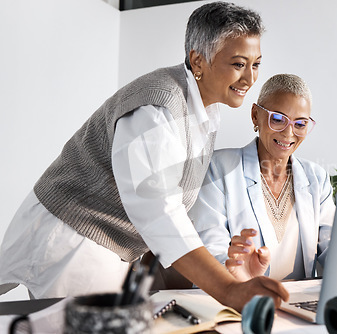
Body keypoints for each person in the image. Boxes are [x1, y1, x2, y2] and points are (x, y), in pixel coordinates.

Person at [0, 1, 288, 312]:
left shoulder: (205, 108)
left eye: (256, 64)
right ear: (198, 61)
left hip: (105, 246)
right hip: (71, 239)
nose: (250, 79)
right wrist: (228, 288)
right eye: (238, 64)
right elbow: (159, 211)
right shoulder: (156, 108)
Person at [188, 74, 336, 282]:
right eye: (278, 119)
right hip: (242, 300)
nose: (288, 133)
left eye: (300, 124)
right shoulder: (218, 168)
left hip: (298, 305)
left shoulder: (316, 178)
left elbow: (334, 249)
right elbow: (210, 251)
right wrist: (237, 274)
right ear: (255, 115)